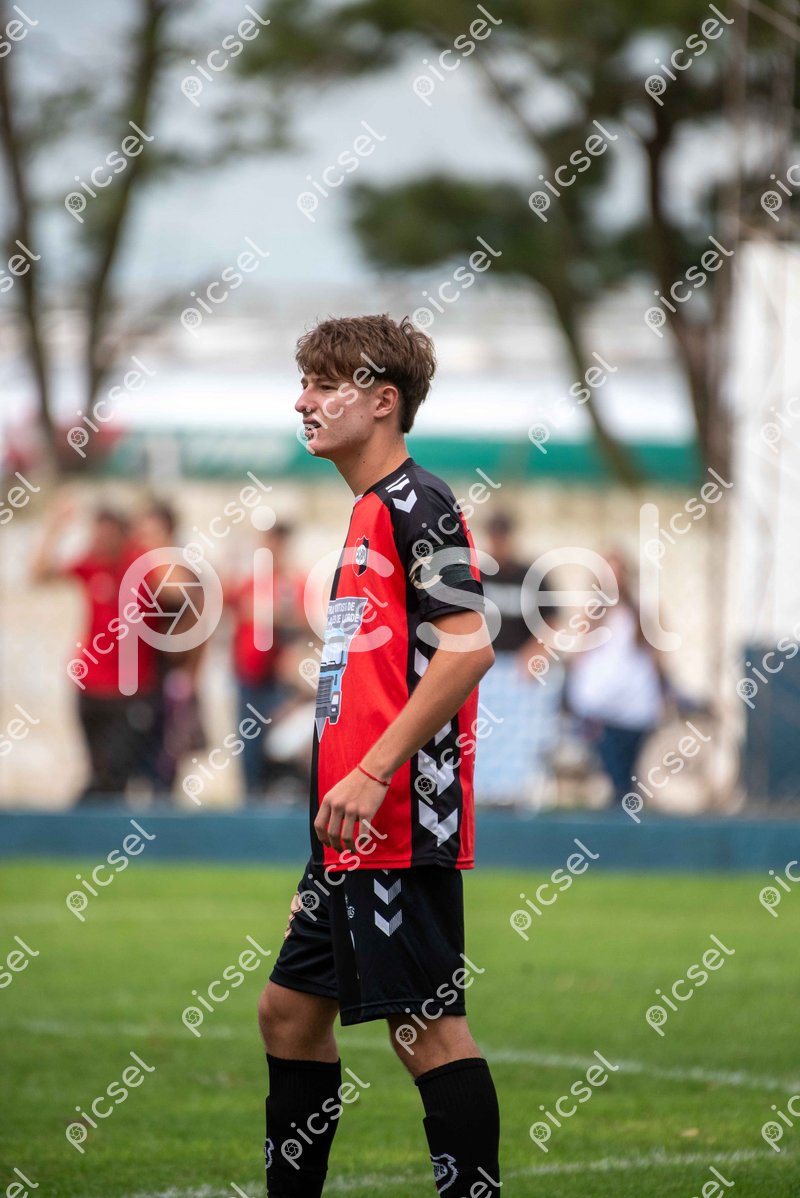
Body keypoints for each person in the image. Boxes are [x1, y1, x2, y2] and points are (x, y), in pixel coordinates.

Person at [257, 315, 500, 1198]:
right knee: (288, 1014)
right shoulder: (367, 513)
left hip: (396, 820)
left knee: (425, 1031)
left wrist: (371, 771)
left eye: (326, 385)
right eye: (305, 383)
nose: (304, 402)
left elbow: (469, 648)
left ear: (382, 400)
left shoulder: (417, 503)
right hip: (348, 826)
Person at [30, 495, 158, 802]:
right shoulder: (91, 564)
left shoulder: (139, 562)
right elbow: (39, 574)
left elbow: (174, 588)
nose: (100, 541)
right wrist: (55, 527)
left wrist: (148, 534)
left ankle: (82, 816)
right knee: (99, 770)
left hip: (131, 691)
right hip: (90, 686)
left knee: (114, 771)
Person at [564, 552, 670, 806]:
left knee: (631, 769)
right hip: (602, 707)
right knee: (612, 769)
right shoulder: (591, 614)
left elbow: (654, 655)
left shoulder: (639, 613)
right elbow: (579, 654)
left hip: (634, 706)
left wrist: (664, 688)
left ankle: (626, 806)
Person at [475, 511, 562, 807]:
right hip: (480, 669)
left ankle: (515, 796)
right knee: (480, 736)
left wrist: (534, 653)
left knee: (517, 736)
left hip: (516, 671)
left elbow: (551, 621)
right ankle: (481, 795)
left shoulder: (531, 576)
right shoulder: (475, 574)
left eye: (503, 535)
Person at [226, 523, 305, 801]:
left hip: (275, 680)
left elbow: (304, 619)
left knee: (274, 743)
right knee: (248, 745)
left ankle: (270, 799)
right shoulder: (251, 582)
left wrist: (270, 613)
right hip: (248, 676)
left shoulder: (291, 583)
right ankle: (251, 801)